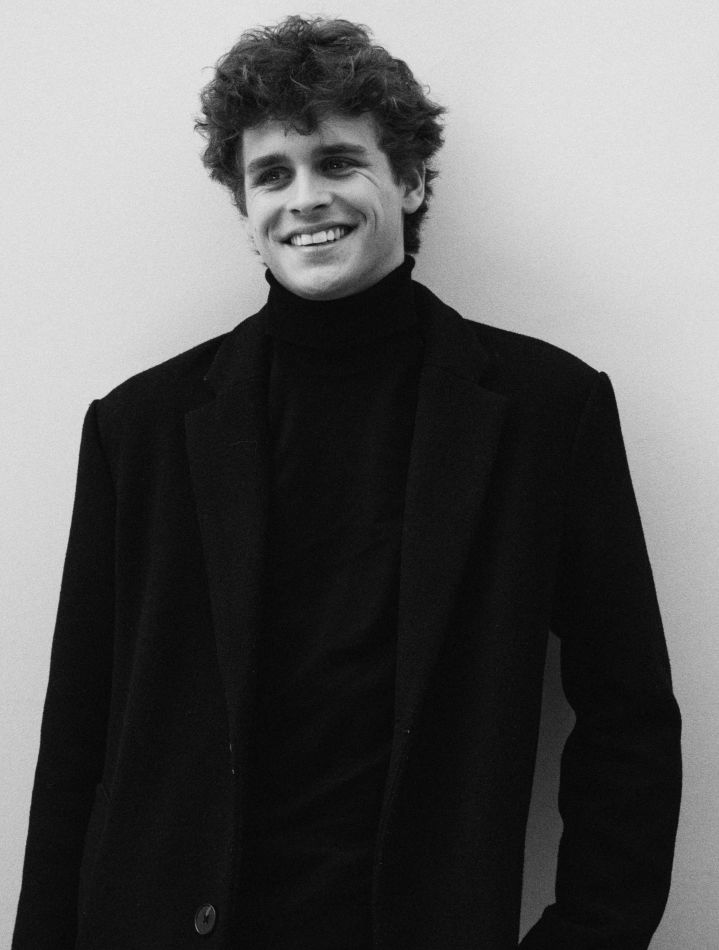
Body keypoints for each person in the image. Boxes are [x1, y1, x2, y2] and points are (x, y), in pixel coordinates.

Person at [13, 15, 681, 950]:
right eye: (271, 174)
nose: (305, 199)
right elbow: (76, 742)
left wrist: (589, 933)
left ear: (408, 180)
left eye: (337, 162)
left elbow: (628, 716)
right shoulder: (140, 429)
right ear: (243, 204)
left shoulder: (546, 413)